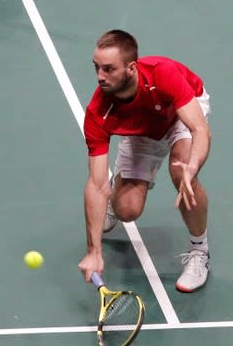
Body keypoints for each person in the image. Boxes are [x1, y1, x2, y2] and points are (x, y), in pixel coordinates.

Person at [78, 29, 212, 293]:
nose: (99, 77)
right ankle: (117, 202)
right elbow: (96, 185)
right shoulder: (98, 112)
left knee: (182, 169)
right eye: (96, 68)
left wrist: (191, 168)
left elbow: (199, 130)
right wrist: (93, 251)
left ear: (131, 67)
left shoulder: (163, 73)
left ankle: (200, 250)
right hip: (141, 130)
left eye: (108, 69)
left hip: (180, 117)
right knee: (127, 210)